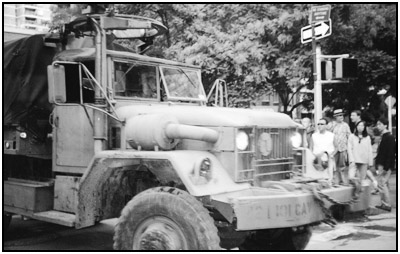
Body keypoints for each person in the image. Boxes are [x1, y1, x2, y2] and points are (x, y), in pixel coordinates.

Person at [374, 117, 396, 212]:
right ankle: (384, 203)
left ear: (385, 125)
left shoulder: (389, 137)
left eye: (380, 124)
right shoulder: (384, 136)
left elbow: (390, 153)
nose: (378, 126)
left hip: (385, 165)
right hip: (381, 163)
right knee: (382, 183)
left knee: (382, 183)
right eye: (377, 124)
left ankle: (387, 204)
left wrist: (386, 167)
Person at [329, 109, 351, 185]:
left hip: (343, 148)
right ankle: (335, 181)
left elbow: (349, 136)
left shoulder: (345, 125)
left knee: (342, 165)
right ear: (336, 117)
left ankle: (342, 181)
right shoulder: (331, 125)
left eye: (342, 115)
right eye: (339, 115)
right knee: (334, 166)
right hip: (334, 149)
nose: (341, 117)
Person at [310, 118, 335, 183]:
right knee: (317, 179)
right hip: (316, 160)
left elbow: (337, 147)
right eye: (318, 124)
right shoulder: (314, 136)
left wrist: (332, 155)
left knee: (328, 179)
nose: (319, 125)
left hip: (328, 160)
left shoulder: (331, 135)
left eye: (322, 124)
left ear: (326, 125)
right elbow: (311, 148)